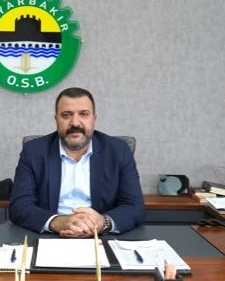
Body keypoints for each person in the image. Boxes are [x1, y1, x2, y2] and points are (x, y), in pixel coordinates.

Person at [9, 87, 145, 237]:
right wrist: (58, 222)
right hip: (51, 235)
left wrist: (102, 223)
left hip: (100, 236)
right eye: (66, 115)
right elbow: (19, 206)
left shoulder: (118, 150)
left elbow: (135, 207)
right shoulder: (34, 151)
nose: (75, 123)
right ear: (56, 119)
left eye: (84, 114)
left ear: (94, 119)